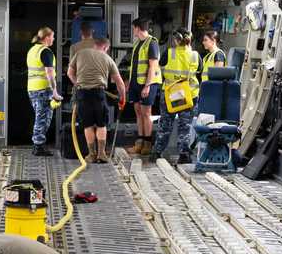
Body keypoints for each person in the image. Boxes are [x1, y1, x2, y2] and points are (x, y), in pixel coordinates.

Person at [66, 36, 127, 163]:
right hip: (99, 93)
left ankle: (91, 154)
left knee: (87, 125)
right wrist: (122, 98)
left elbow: (69, 73)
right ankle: (101, 154)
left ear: (95, 45)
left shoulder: (80, 54)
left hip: (82, 93)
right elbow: (120, 83)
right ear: (105, 47)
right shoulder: (107, 58)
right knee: (101, 124)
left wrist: (77, 83)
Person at [153, 30, 200, 163]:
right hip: (189, 96)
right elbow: (200, 71)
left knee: (165, 124)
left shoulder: (169, 53)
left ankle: (157, 152)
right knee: (185, 126)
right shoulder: (195, 55)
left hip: (170, 94)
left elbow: (159, 66)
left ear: (176, 40)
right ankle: (184, 155)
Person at [125, 19, 162, 156]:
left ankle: (147, 143)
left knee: (146, 113)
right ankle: (139, 143)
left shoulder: (152, 43)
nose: (132, 31)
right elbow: (135, 66)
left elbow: (153, 66)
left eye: (133, 28)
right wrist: (130, 82)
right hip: (136, 83)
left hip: (147, 84)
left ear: (137, 28)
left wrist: (147, 86)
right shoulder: (138, 44)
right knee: (138, 112)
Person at [25, 27, 61, 157]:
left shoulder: (32, 50)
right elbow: (49, 73)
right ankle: (38, 146)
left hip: (32, 88)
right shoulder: (46, 52)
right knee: (43, 118)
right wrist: (55, 92)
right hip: (43, 89)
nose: (54, 39)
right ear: (46, 38)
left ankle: (38, 145)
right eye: (52, 36)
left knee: (40, 116)